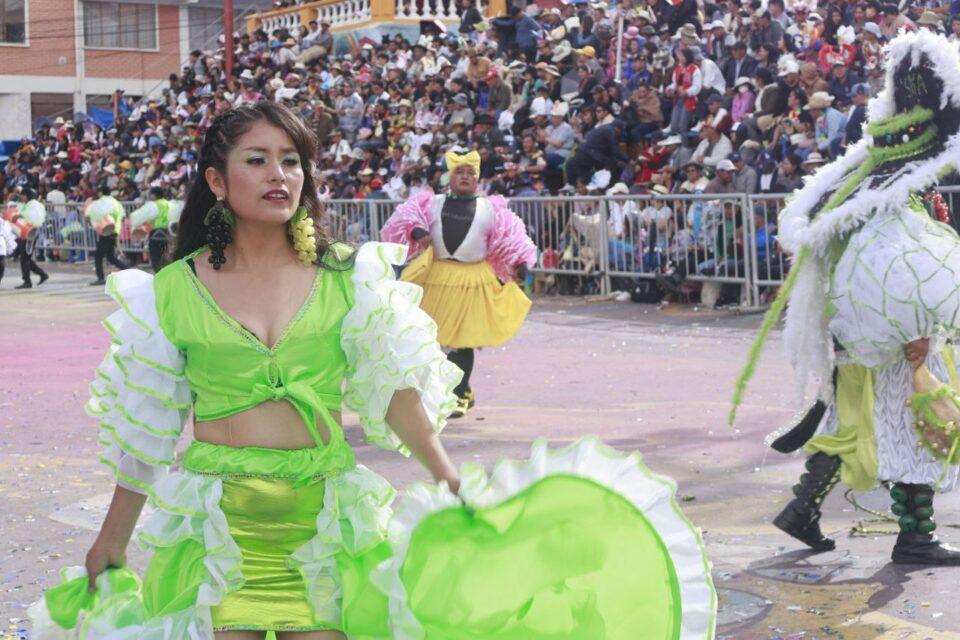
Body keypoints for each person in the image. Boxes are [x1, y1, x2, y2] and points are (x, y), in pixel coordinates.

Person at [29, 103, 717, 639]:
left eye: (292, 162)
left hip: (325, 521)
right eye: (258, 160)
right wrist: (112, 537)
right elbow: (148, 427)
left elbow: (391, 392)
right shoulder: (169, 291)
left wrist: (448, 479)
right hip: (218, 524)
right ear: (217, 180)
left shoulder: (348, 277)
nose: (280, 176)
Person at [732, 31, 960, 565]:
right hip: (891, 330)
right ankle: (916, 535)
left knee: (849, 423)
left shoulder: (867, 173)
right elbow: (900, 270)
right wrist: (917, 333)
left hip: (855, 324)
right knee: (909, 423)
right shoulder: (892, 184)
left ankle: (804, 510)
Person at [381, 149, 537, 418]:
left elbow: (510, 238)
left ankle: (459, 393)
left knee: (464, 340)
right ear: (449, 177)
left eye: (470, 173)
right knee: (432, 339)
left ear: (477, 180)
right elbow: (406, 216)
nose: (465, 177)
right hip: (437, 277)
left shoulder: (491, 208)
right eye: (459, 172)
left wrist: (520, 265)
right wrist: (419, 232)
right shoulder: (432, 202)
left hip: (472, 280)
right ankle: (441, 390)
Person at [87, 192, 130, 286]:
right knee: (110, 256)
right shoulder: (116, 203)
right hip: (114, 231)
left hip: (107, 231)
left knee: (98, 256)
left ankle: (100, 277)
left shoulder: (102, 203)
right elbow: (122, 217)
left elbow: (93, 215)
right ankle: (128, 271)